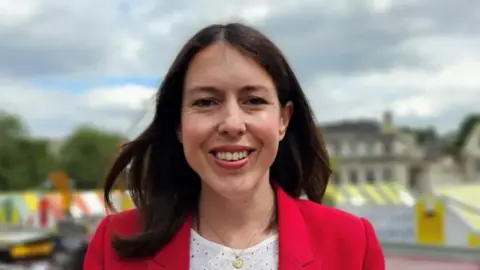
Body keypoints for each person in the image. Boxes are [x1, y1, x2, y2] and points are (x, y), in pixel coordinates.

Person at [83, 22, 385, 270]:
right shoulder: (114, 246)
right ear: (178, 124)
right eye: (206, 102)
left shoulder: (353, 244)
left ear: (283, 120)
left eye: (253, 101)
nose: (232, 123)